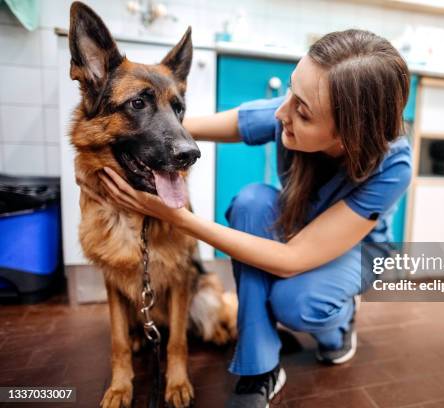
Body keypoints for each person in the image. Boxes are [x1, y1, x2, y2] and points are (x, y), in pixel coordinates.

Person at [94, 29, 412, 408]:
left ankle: (339, 325)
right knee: (252, 202)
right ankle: (260, 367)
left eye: (303, 111)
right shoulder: (291, 109)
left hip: (355, 251)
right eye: (292, 92)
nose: (281, 112)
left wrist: (176, 217)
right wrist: (136, 124)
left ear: (347, 136)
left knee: (298, 302)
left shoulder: (393, 165)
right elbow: (185, 128)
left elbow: (293, 260)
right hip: (297, 229)